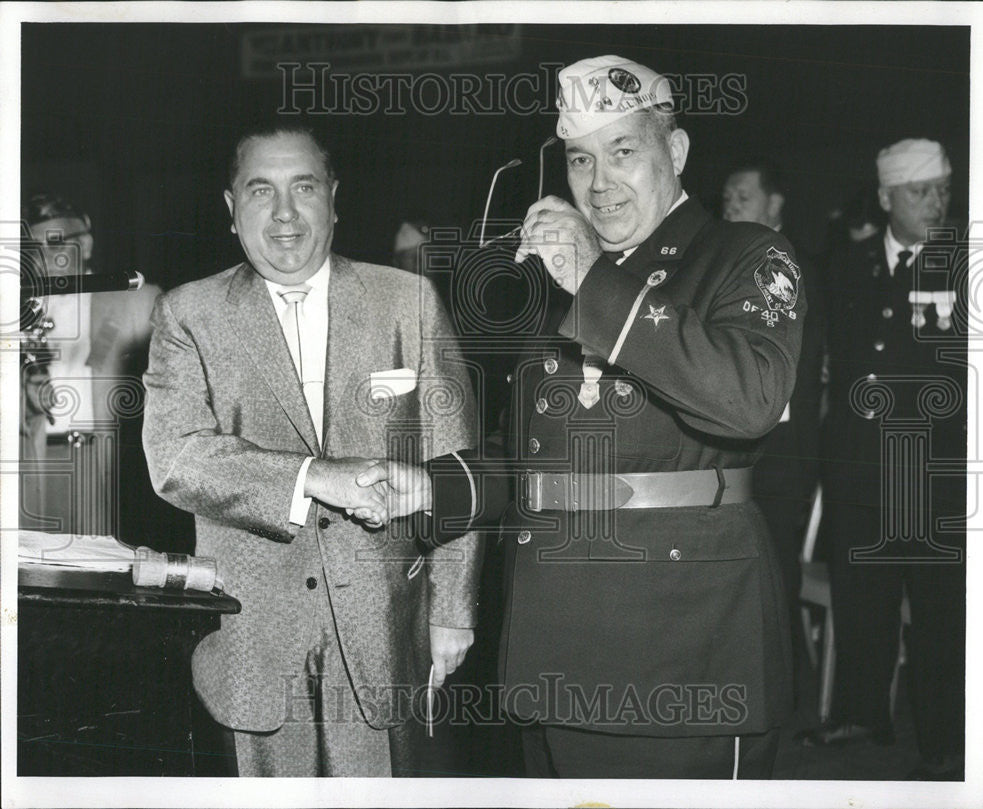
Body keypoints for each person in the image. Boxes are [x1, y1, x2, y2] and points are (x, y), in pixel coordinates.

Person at [359, 55, 806, 779]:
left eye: (624, 152)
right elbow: (530, 459)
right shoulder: (562, 286)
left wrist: (596, 277)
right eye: (579, 159)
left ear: (677, 151)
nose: (599, 183)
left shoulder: (744, 256)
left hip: (680, 652)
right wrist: (429, 488)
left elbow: (748, 399)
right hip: (553, 644)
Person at [141, 122, 483, 777]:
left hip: (385, 634)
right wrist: (315, 476)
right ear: (230, 208)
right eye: (260, 190)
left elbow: (455, 466)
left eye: (303, 187)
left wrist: (453, 610)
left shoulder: (407, 300)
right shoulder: (187, 314)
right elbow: (177, 459)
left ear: (334, 197)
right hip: (250, 640)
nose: (285, 213)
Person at [804, 138, 965, 780]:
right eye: (921, 192)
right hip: (860, 466)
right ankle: (862, 713)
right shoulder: (849, 264)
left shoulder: (968, 266)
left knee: (938, 610)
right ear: (885, 198)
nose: (936, 203)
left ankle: (944, 737)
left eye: (943, 190)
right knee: (861, 598)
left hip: (932, 470)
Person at [722, 160, 825, 666]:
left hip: (782, 447)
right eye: (727, 199)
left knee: (776, 558)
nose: (731, 206)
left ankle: (779, 676)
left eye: (742, 196)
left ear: (775, 204)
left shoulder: (805, 264)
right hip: (725, 440)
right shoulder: (717, 263)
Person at [19, 192, 162, 539]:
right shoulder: (16, 307)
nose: (44, 257)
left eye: (55, 242)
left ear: (85, 241)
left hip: (103, 463)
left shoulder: (136, 301)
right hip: (35, 461)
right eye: (32, 247)